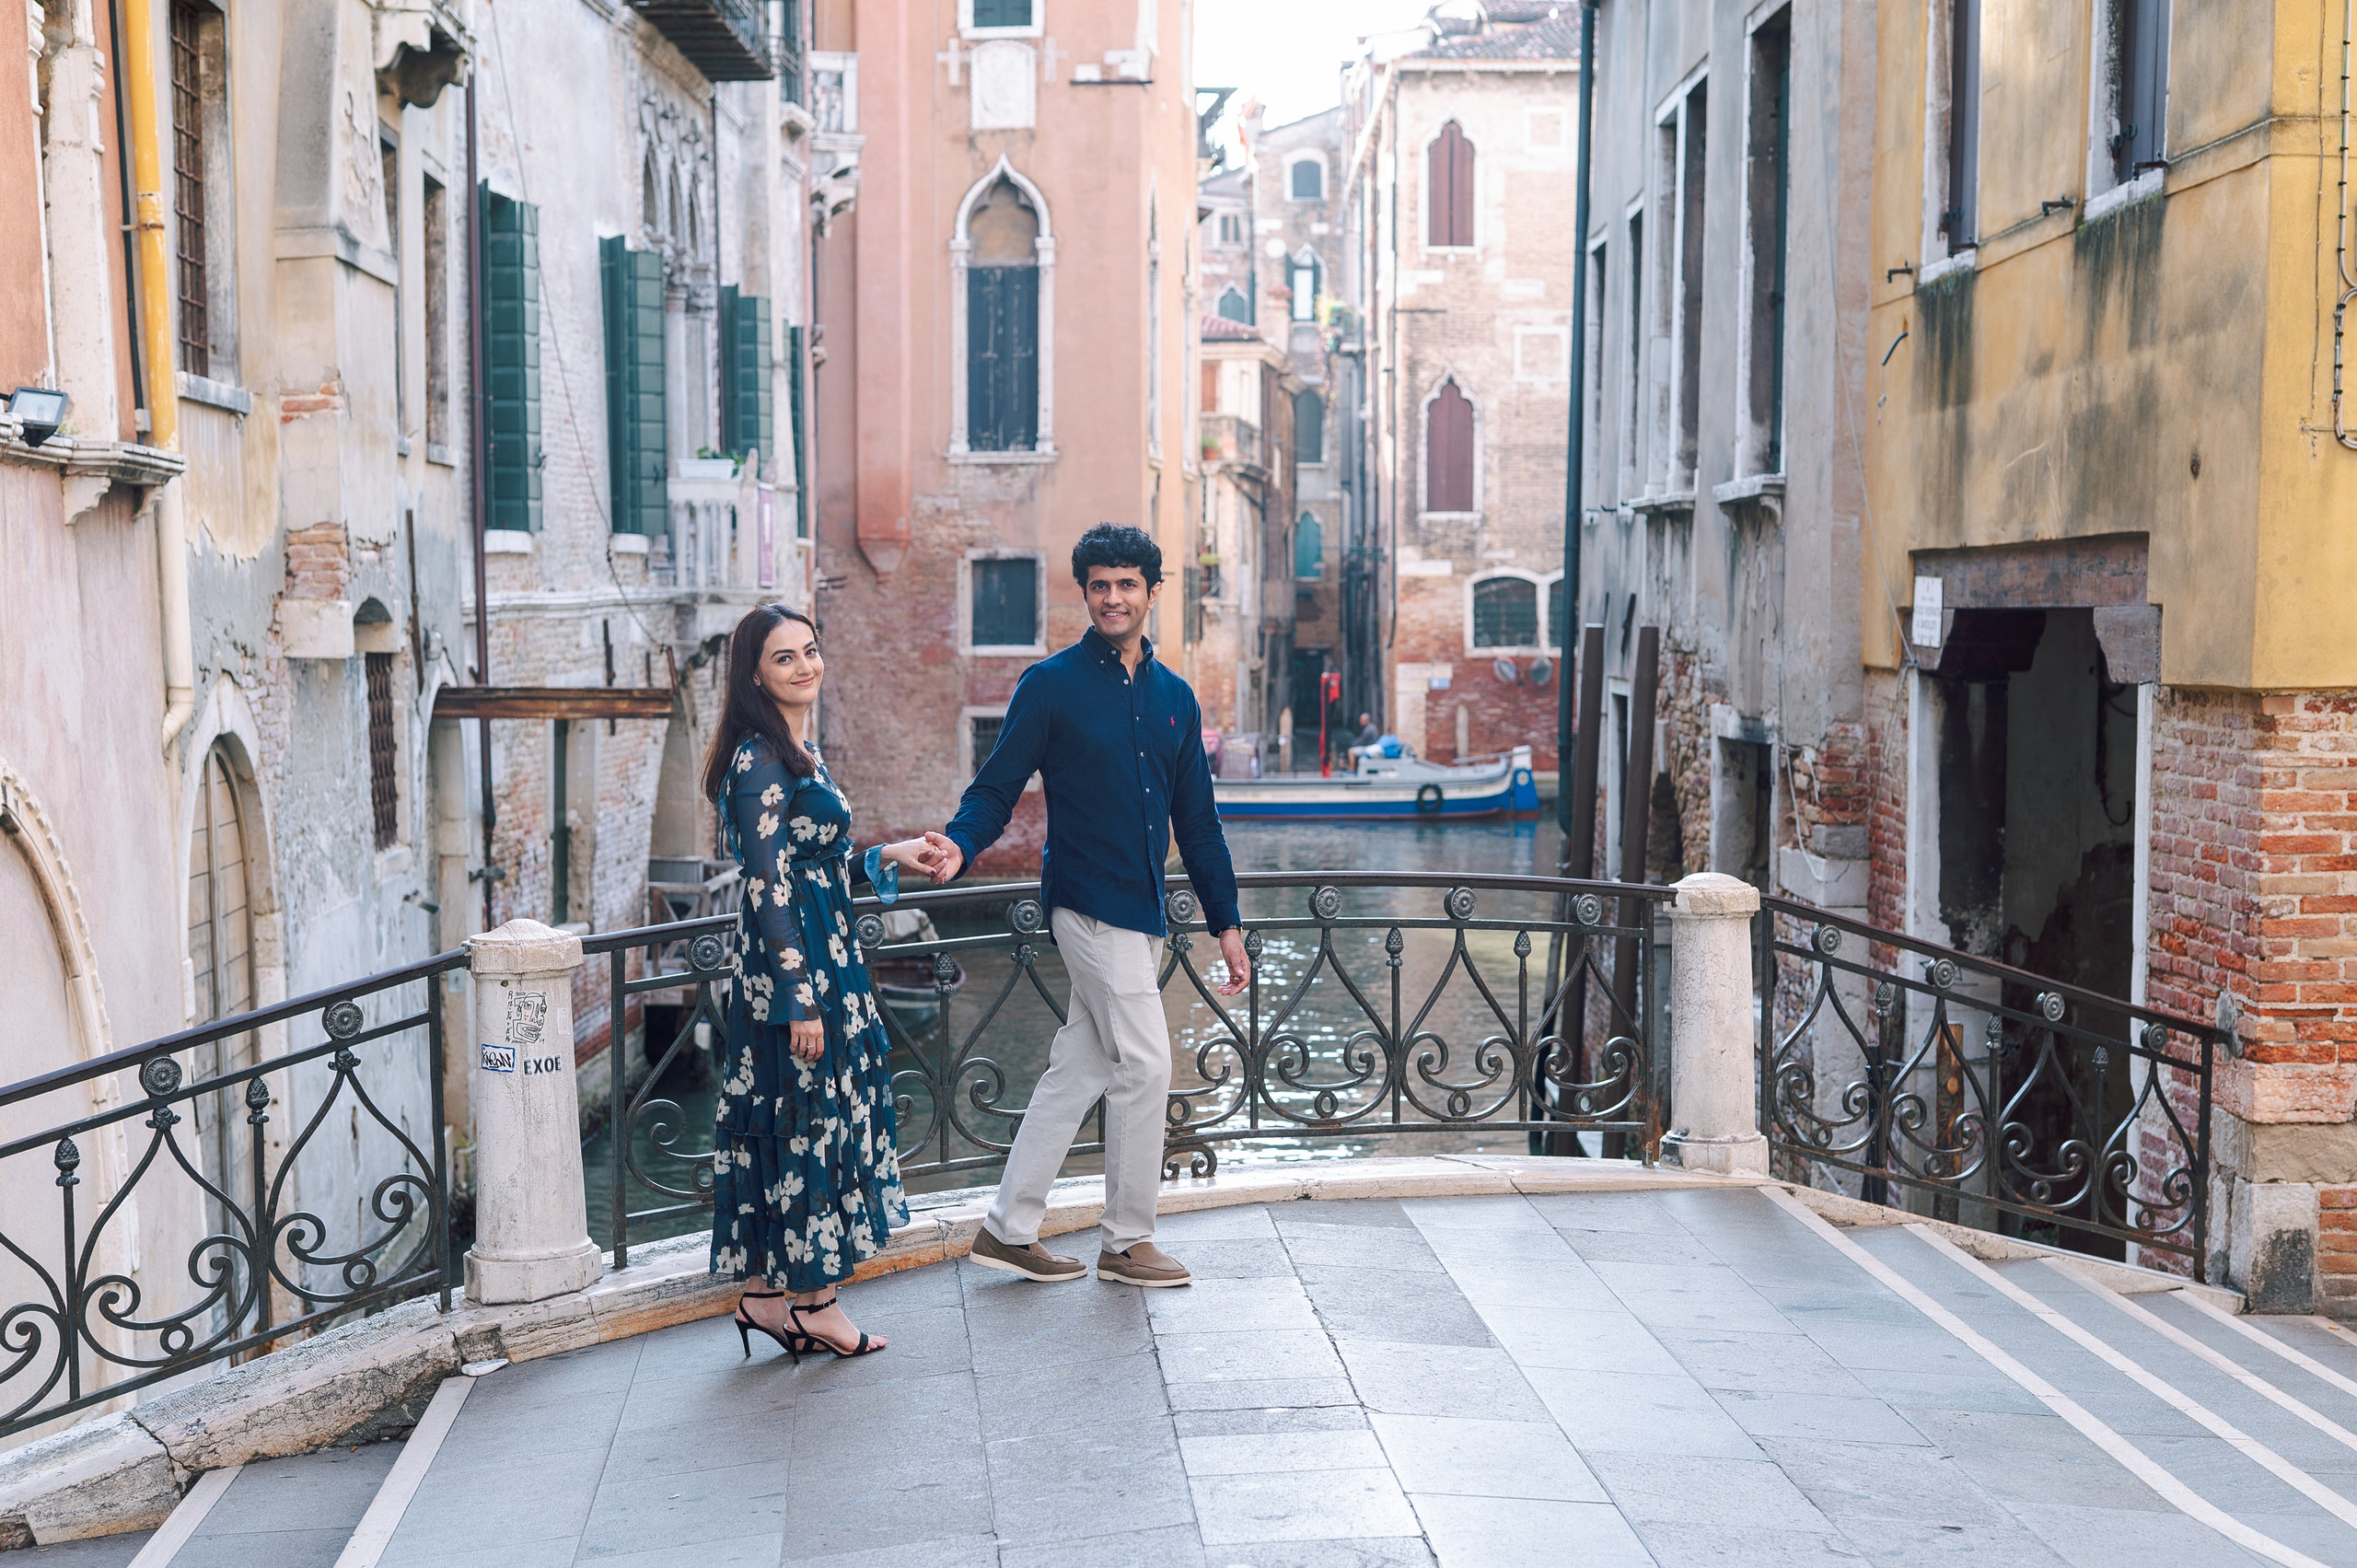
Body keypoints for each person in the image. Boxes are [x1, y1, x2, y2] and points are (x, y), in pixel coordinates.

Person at [916, 523, 1249, 1289]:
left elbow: (1197, 822)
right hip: (1086, 904)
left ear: (1151, 593)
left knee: (1081, 1066)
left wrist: (1226, 925)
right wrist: (964, 844)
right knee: (1147, 1061)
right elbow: (997, 787)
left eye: (1127, 583)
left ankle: (1008, 1227)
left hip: (1145, 912)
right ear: (1086, 593)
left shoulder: (1176, 699)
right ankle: (1128, 1241)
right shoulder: (1051, 685)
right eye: (1099, 584)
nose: (1112, 596)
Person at [702, 602, 940, 1360]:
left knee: (794, 1115)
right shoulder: (759, 759)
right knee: (808, 1119)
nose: (806, 666)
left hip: (823, 953)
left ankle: (767, 1298)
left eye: (811, 651)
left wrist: (888, 855)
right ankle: (818, 1304)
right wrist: (801, 998)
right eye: (785, 658)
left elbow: (819, 864)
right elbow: (768, 883)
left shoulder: (795, 747)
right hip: (796, 971)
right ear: (753, 675)